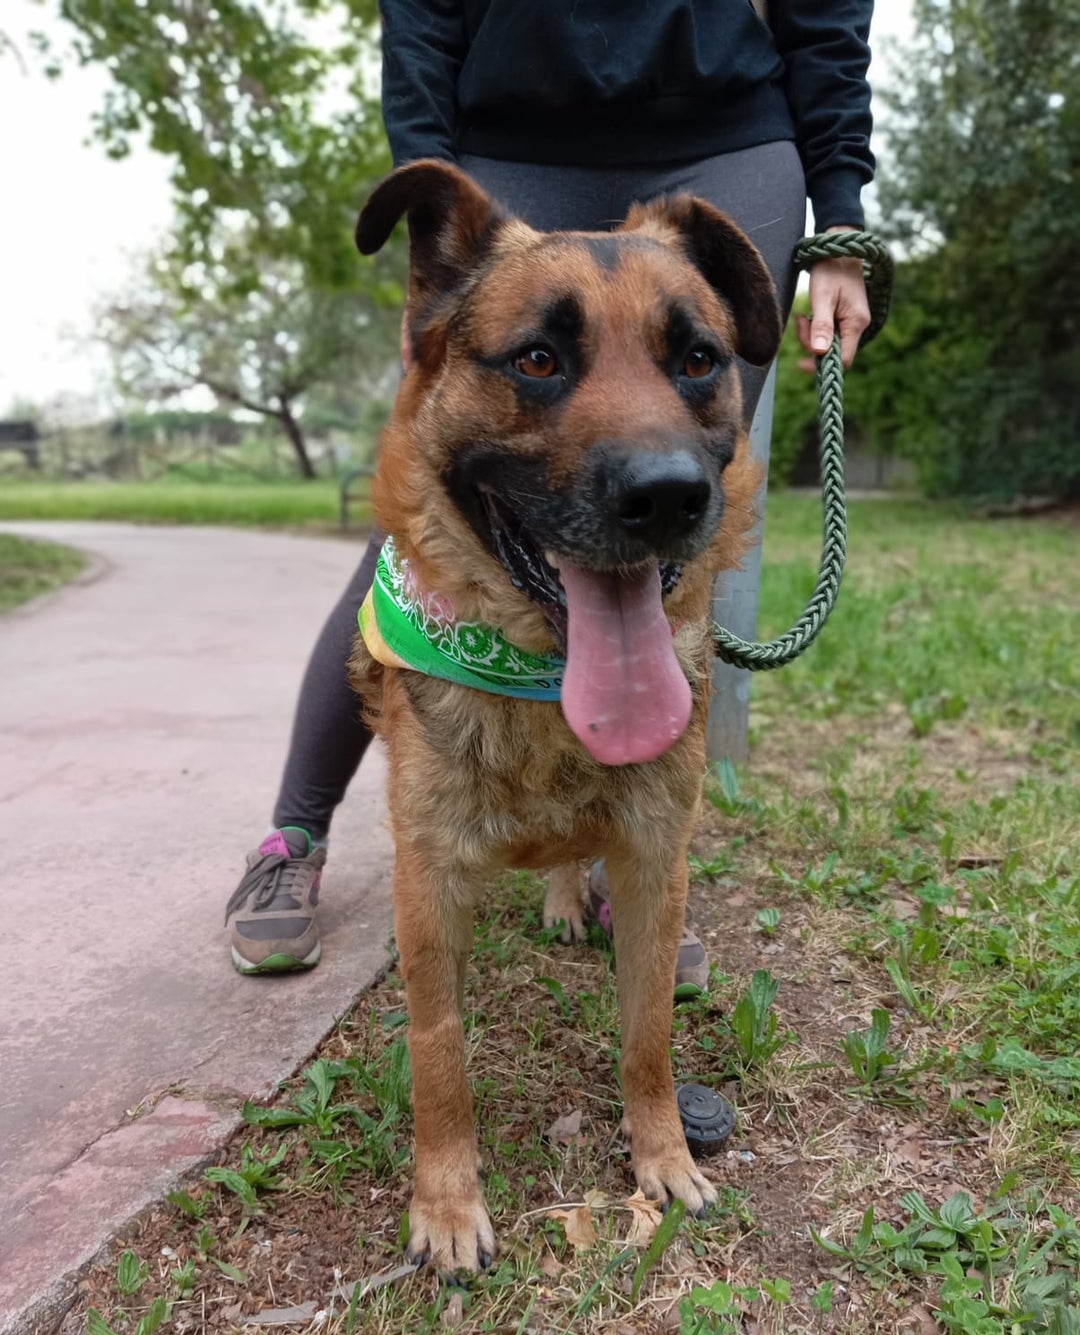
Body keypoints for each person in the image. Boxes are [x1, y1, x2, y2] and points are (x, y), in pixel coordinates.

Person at [224, 0, 874, 985]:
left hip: (731, 131)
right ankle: (295, 833)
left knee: (673, 511)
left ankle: (613, 851)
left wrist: (840, 214)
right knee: (437, 527)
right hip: (513, 125)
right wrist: (428, 210)